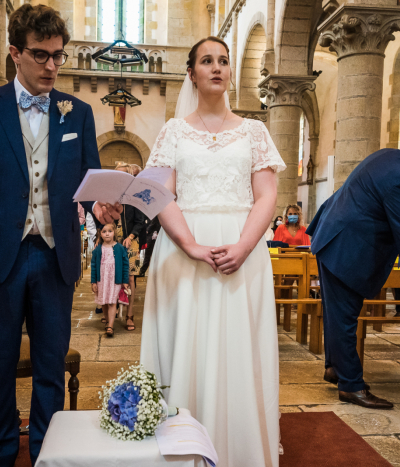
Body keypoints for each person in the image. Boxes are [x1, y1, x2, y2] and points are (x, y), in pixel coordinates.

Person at [0, 5, 120, 465]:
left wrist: (99, 205)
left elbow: (85, 183)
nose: (51, 66)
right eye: (40, 55)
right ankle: (4, 451)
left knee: (49, 367)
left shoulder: (78, 112)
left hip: (55, 257)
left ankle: (48, 453)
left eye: (58, 56)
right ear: (14, 53)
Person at [140, 36, 284, 467]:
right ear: (192, 73)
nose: (217, 67)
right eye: (207, 61)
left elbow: (266, 197)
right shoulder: (173, 131)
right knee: (187, 342)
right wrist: (191, 245)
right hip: (185, 250)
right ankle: (183, 447)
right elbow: (160, 196)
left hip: (243, 250)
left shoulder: (255, 131)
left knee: (240, 349)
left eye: (223, 61)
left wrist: (242, 246)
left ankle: (240, 449)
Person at [307, 144, 400, 409]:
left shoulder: (389, 155)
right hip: (347, 248)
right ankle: (351, 386)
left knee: (337, 314)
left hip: (335, 239)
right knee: (344, 318)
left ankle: (336, 369)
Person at [114, 161, 147, 331]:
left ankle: (130, 314)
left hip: (130, 240)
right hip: (112, 239)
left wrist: (131, 236)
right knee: (112, 276)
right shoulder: (111, 195)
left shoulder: (135, 196)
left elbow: (140, 221)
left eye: (123, 174)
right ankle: (111, 313)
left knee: (131, 277)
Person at [91, 223, 129, 337]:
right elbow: (93, 265)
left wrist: (125, 281)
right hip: (102, 280)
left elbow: (125, 265)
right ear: (100, 234)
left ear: (114, 233)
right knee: (104, 302)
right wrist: (93, 281)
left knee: (112, 302)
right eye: (104, 231)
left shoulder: (120, 248)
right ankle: (107, 320)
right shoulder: (98, 249)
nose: (107, 234)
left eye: (109, 231)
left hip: (114, 280)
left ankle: (110, 325)